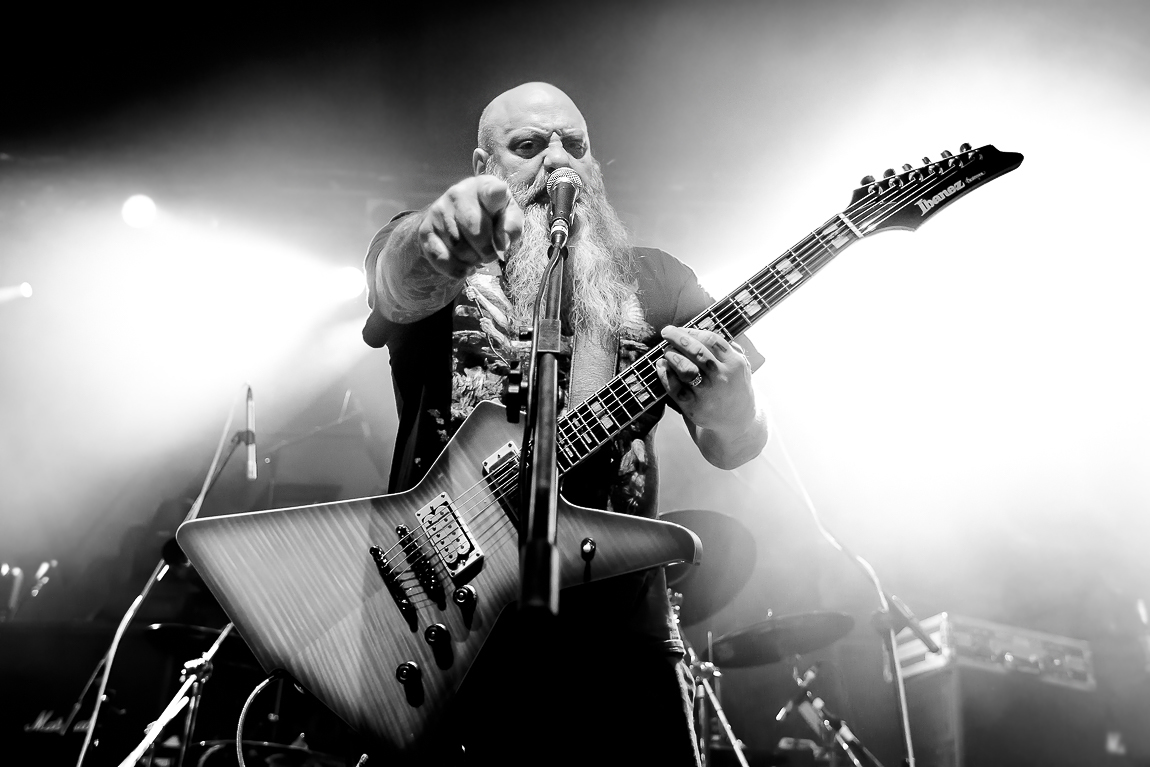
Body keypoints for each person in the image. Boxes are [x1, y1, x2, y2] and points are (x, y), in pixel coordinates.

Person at [362, 82, 767, 766]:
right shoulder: (438, 256)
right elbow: (394, 282)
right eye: (527, 145)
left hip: (620, 648)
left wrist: (736, 408)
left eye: (573, 144)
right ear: (484, 165)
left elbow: (736, 444)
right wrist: (432, 233)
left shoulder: (657, 279)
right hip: (445, 630)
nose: (557, 161)